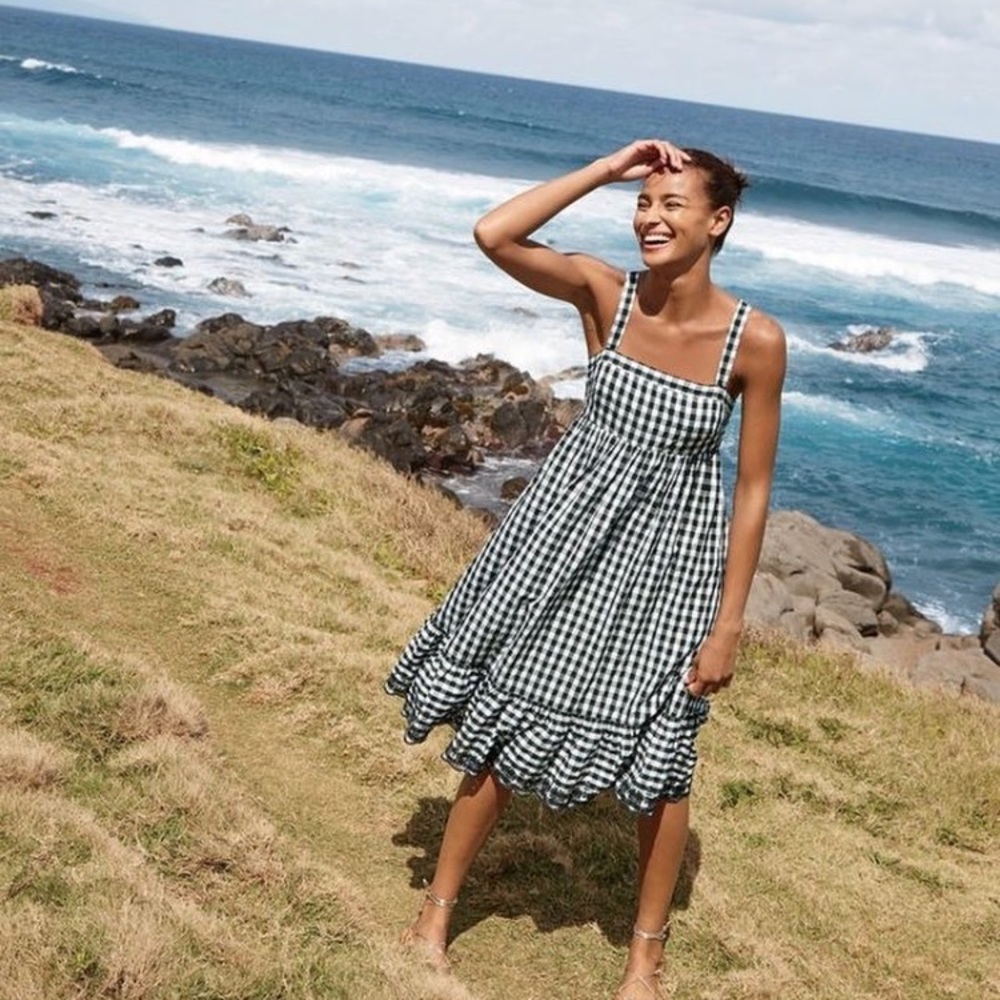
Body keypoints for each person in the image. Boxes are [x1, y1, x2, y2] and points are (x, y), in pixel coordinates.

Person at [384, 138, 786, 999]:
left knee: (662, 757)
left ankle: (645, 958)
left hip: (669, 567)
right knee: (503, 720)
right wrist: (607, 169)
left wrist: (728, 623)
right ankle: (435, 915)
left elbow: (753, 490)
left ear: (718, 221)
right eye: (643, 203)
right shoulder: (608, 294)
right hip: (558, 543)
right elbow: (494, 234)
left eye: (672, 204)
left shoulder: (754, 341)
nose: (650, 218)